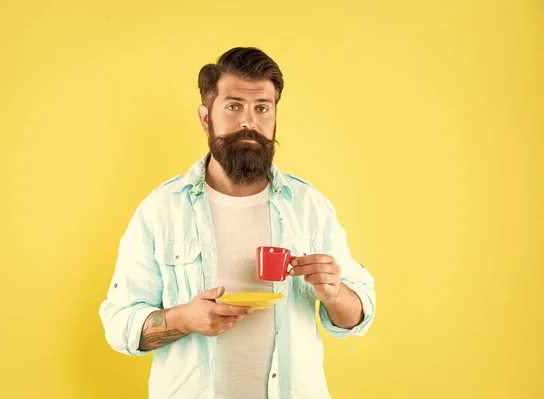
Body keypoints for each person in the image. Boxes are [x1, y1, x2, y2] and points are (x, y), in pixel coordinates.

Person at [99, 47, 376, 399]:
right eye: (233, 106)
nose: (250, 121)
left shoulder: (309, 207)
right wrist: (184, 319)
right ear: (205, 118)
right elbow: (117, 323)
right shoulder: (161, 210)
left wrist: (335, 294)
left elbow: (359, 314)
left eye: (262, 107)